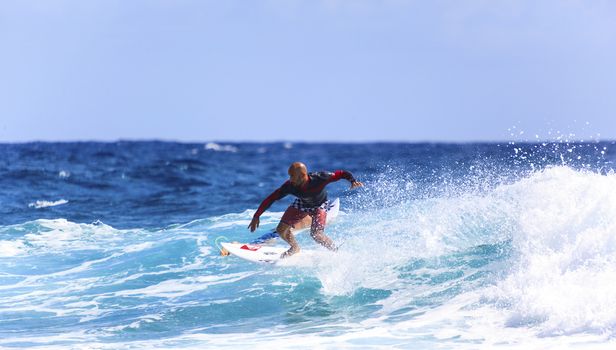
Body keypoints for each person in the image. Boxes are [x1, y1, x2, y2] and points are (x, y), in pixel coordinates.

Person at [247, 162, 363, 258]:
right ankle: (295, 247)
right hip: (302, 203)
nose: (290, 179)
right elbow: (271, 198)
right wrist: (257, 216)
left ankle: (336, 251)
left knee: (316, 234)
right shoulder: (290, 186)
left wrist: (352, 180)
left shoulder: (320, 178)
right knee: (281, 230)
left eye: (292, 176)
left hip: (320, 205)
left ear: (302, 176)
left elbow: (341, 174)